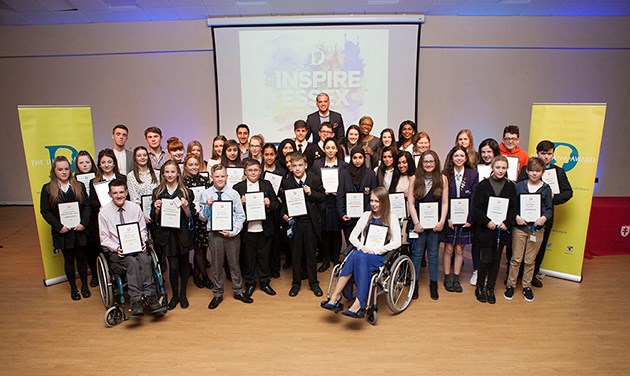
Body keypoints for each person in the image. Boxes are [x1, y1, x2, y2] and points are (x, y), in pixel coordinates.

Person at [320, 187, 401, 318]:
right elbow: (352, 237)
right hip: (363, 253)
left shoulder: (392, 217)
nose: (373, 204)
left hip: (378, 256)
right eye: (372, 200)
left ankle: (356, 302)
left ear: (384, 202)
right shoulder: (365, 216)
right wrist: (362, 247)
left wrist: (374, 250)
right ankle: (336, 296)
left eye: (377, 201)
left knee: (357, 256)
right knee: (357, 254)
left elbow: (397, 242)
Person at [99, 178, 163, 316]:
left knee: (145, 260)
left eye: (121, 192)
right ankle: (136, 301)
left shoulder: (134, 208)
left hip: (136, 247)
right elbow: (104, 239)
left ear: (126, 192)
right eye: (115, 193)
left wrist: (142, 241)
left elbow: (142, 230)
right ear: (109, 194)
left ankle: (150, 296)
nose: (119, 195)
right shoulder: (104, 213)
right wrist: (116, 248)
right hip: (118, 253)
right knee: (132, 262)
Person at [517, 140, 573, 288]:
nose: (546, 157)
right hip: (523, 215)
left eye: (549, 153)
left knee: (539, 247)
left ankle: (532, 275)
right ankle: (515, 275)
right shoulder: (526, 169)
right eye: (543, 153)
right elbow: (518, 189)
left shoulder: (558, 172)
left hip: (545, 216)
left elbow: (568, 192)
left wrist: (553, 198)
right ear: (537, 153)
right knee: (517, 246)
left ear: (553, 154)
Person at [199, 164, 252, 309]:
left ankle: (238, 291)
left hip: (231, 235)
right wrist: (207, 206)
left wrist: (233, 231)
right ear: (211, 177)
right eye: (217, 176)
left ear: (227, 177)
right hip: (214, 235)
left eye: (223, 176)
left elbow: (241, 216)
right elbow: (202, 218)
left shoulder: (233, 193)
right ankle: (217, 293)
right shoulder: (206, 194)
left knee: (234, 264)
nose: (220, 179)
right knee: (216, 265)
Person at [40, 156, 91, 300]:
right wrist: (59, 227)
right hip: (63, 232)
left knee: (81, 258)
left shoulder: (79, 185)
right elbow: (45, 211)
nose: (64, 172)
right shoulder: (48, 189)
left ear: (71, 169)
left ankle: (85, 287)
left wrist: (83, 223)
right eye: (60, 169)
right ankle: (74, 289)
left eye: (66, 169)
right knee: (69, 260)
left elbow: (87, 206)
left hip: (79, 230)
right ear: (54, 171)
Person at [504, 157, 553, 303]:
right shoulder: (518, 186)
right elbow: (511, 207)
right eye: (531, 171)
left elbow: (549, 209)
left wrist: (543, 218)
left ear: (542, 172)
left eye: (537, 171)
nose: (534, 174)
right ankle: (510, 285)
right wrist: (516, 217)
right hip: (519, 228)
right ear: (527, 171)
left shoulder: (546, 188)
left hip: (536, 229)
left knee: (530, 261)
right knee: (516, 259)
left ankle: (526, 286)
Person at [280, 152, 326, 297]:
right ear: (290, 167)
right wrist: (284, 215)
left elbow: (323, 197)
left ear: (305, 165)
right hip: (295, 223)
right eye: (294, 166)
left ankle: (314, 283)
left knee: (311, 254)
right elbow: (283, 203)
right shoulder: (287, 182)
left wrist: (311, 193)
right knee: (296, 254)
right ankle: (296, 283)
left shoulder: (315, 179)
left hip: (310, 223)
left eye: (300, 165)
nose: (298, 168)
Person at [472, 155, 516, 304]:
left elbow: (513, 209)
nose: (501, 170)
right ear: (492, 167)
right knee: (485, 260)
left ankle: (490, 288)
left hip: (501, 230)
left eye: (504, 168)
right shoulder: (483, 185)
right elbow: (476, 209)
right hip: (486, 230)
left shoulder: (510, 186)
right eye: (498, 167)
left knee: (496, 261)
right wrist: (487, 222)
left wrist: (507, 223)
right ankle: (479, 287)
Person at [151, 160, 195, 310]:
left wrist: (185, 207)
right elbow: (154, 217)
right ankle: (174, 295)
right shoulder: (157, 192)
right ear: (163, 174)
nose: (170, 174)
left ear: (178, 173)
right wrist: (156, 209)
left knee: (184, 265)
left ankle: (183, 294)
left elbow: (191, 217)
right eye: (167, 172)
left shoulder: (186, 192)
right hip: (167, 236)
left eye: (172, 171)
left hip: (182, 234)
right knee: (173, 267)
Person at [233, 159, 280, 297]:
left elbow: (276, 204)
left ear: (260, 171)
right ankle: (250, 283)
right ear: (245, 172)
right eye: (250, 170)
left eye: (256, 170)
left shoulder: (266, 185)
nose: (253, 173)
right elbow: (233, 211)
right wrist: (240, 203)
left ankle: (265, 282)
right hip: (247, 230)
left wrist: (269, 204)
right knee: (249, 258)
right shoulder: (238, 187)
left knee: (264, 257)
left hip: (264, 229)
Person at [408, 150, 449, 300]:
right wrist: (416, 223)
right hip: (419, 224)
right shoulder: (414, 179)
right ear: (421, 163)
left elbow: (445, 203)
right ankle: (415, 283)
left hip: (435, 225)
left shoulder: (443, 179)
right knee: (417, 254)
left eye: (431, 161)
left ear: (436, 163)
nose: (429, 164)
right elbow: (411, 204)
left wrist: (442, 221)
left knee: (433, 255)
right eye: (426, 162)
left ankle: (433, 284)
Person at [441, 146, 478, 293]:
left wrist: (470, 219)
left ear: (466, 158)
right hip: (450, 218)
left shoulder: (472, 174)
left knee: (459, 249)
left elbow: (474, 198)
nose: (459, 158)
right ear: (451, 158)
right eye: (456, 156)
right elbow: (442, 199)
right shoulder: (445, 174)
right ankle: (446, 277)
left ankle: (456, 278)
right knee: (448, 248)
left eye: (462, 155)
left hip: (465, 218)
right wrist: (447, 218)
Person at [311, 138, 347, 272]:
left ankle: (336, 259)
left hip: (337, 201)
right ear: (324, 149)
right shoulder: (316, 164)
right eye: (328, 148)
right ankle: (325, 260)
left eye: (333, 148)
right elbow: (313, 182)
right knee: (324, 231)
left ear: (337, 149)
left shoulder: (343, 165)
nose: (330, 150)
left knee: (336, 232)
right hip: (323, 201)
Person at [469, 138, 501, 286]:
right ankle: (476, 270)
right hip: (480, 212)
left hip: (496, 214)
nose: (486, 155)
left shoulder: (502, 169)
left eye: (489, 151)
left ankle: (487, 272)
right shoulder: (476, 169)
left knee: (492, 245)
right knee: (477, 243)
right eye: (483, 152)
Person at [182, 153, 212, 290]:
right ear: (185, 166)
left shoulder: (205, 181)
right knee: (197, 249)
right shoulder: (182, 182)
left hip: (203, 218)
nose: (194, 167)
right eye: (190, 165)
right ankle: (204, 277)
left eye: (196, 164)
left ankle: (197, 274)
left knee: (203, 248)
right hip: (190, 219)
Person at [337, 147, 378, 244]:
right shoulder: (344, 173)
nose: (357, 160)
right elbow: (340, 194)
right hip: (348, 218)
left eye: (360, 157)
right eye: (354, 158)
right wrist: (342, 214)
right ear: (351, 159)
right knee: (350, 244)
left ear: (364, 158)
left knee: (365, 244)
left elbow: (374, 196)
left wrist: (367, 214)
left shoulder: (370, 174)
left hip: (365, 217)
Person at [74, 150, 100, 287]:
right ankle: (95, 275)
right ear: (77, 165)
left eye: (87, 162)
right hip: (84, 219)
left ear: (92, 163)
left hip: (98, 216)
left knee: (101, 246)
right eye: (81, 163)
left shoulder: (98, 178)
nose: (85, 165)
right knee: (89, 249)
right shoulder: (74, 182)